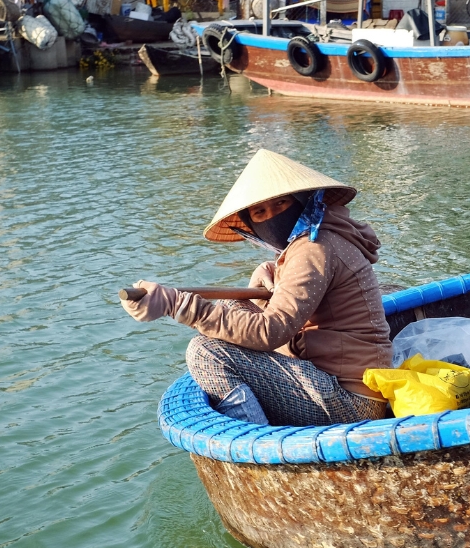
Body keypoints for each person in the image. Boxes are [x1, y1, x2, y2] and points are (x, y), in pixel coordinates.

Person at [122, 149, 393, 427]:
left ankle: (257, 445)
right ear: (251, 224)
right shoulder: (318, 239)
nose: (272, 216)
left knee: (206, 352)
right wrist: (276, 269)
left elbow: (271, 332)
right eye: (260, 212)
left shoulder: (313, 247)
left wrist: (178, 306)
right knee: (231, 306)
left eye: (281, 204)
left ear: (301, 201)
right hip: (346, 384)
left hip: (352, 400)